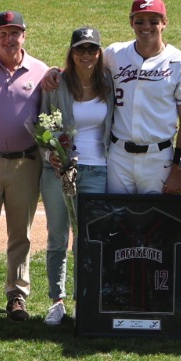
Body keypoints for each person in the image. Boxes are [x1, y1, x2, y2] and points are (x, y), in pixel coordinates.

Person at [0, 10, 51, 322]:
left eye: (14, 32)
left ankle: (17, 297)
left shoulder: (40, 72)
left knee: (21, 233)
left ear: (24, 36)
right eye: (2, 33)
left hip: (25, 163)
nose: (9, 38)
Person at [36, 26, 113, 326]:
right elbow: (42, 127)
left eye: (92, 49)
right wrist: (49, 154)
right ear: (71, 52)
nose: (86, 55)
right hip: (57, 170)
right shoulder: (56, 84)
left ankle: (84, 298)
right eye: (80, 49)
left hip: (97, 169)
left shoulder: (108, 82)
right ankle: (57, 301)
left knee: (87, 238)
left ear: (99, 52)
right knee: (58, 236)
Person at [105, 0, 181, 195]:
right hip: (118, 156)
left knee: (156, 222)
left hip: (159, 158)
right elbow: (81, 69)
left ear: (164, 22)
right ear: (131, 22)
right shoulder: (114, 54)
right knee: (116, 221)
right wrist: (55, 71)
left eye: (153, 21)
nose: (145, 26)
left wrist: (178, 170)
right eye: (139, 21)